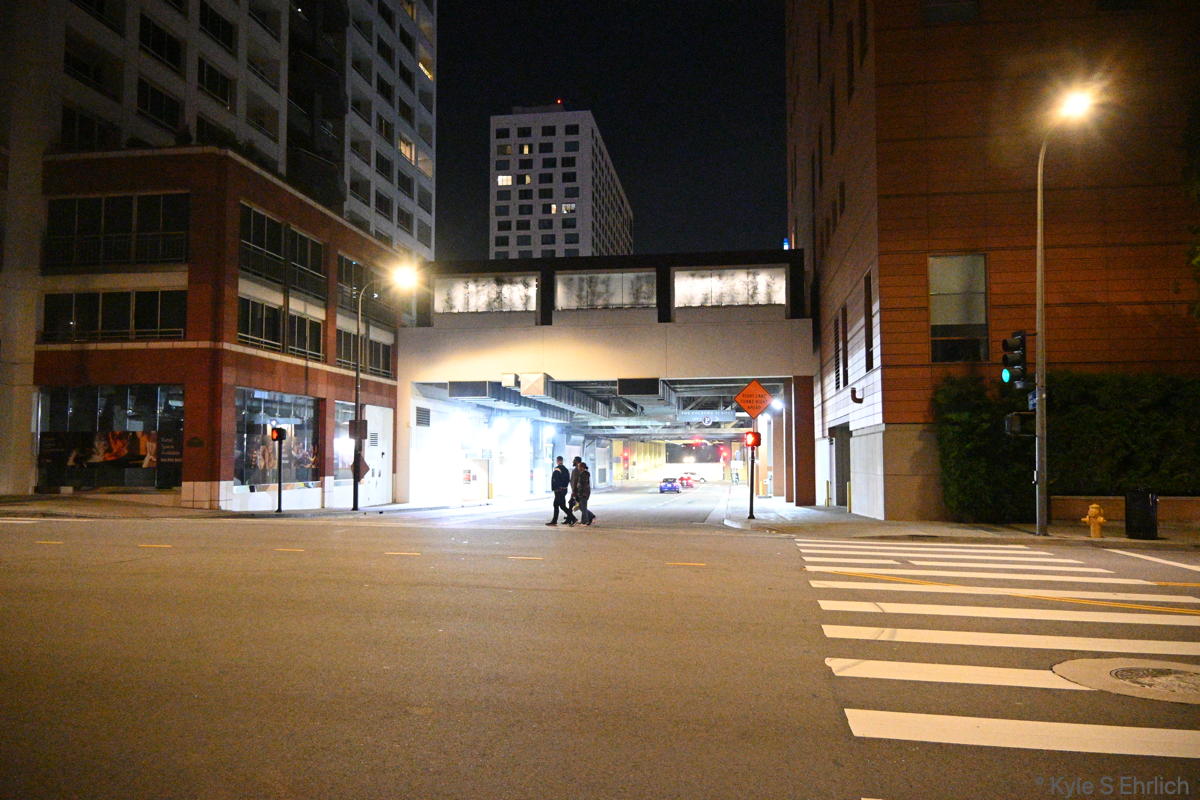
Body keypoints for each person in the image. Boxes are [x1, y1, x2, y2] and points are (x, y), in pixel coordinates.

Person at [546, 456, 575, 526]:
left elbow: (555, 480)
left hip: (558, 490)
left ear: (558, 461)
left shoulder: (557, 469)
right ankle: (573, 518)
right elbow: (568, 479)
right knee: (562, 506)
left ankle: (554, 521)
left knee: (555, 505)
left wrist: (556, 488)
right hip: (564, 489)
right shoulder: (566, 469)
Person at [576, 460, 595, 526]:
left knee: (583, 507)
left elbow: (584, 485)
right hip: (582, 492)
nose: (578, 467)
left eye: (579, 466)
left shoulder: (584, 474)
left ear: (582, 467)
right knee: (581, 506)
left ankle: (585, 521)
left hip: (584, 493)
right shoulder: (583, 473)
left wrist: (583, 493)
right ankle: (590, 516)